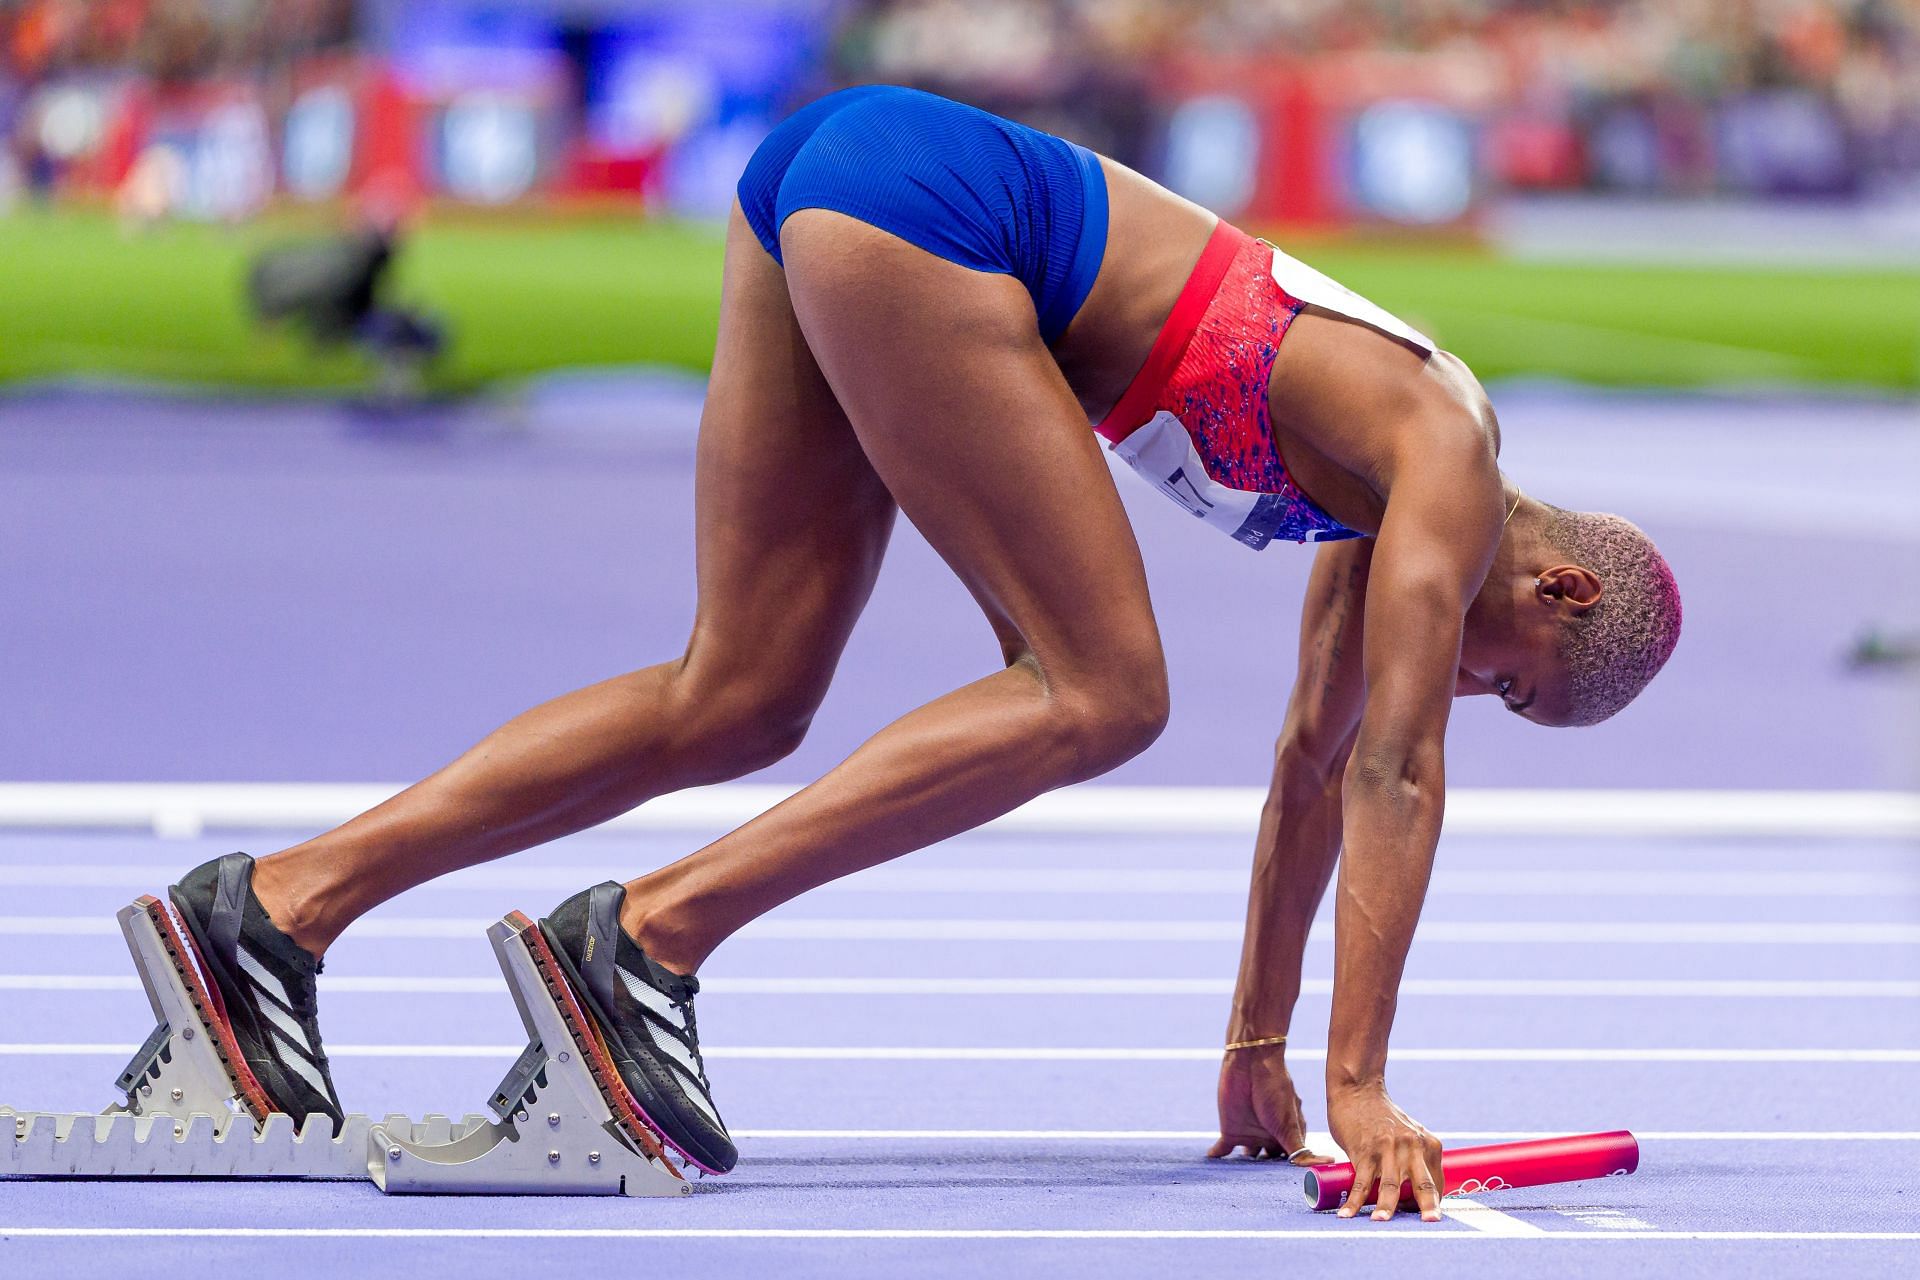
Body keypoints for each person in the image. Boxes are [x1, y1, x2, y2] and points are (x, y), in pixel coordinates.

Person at [158, 86, 1681, 1220]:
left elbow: (1317, 768)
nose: (1469, 692)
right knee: (1103, 692)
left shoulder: (1385, 509)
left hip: (848, 177)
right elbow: (1400, 777)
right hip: (934, 208)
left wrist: (1261, 1043)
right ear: (1558, 590)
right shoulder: (1448, 464)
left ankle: (271, 917)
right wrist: (1364, 1093)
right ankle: (642, 943)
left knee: (741, 691)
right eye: (1512, 685)